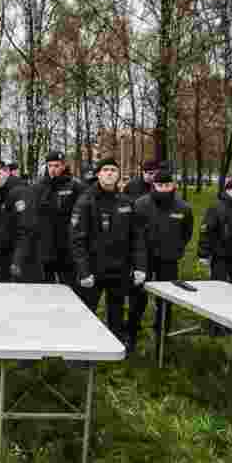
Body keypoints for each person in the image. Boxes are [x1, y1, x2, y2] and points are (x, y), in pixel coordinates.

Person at [71, 157, 148, 349]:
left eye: (113, 170)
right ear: (98, 174)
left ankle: (114, 347)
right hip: (93, 270)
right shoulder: (85, 201)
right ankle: (83, 349)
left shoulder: (126, 202)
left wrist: (139, 266)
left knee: (116, 310)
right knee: (87, 311)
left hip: (119, 269)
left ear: (118, 175)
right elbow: (77, 239)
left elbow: (137, 237)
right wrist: (83, 271)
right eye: (105, 170)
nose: (109, 173)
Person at [127, 167, 193, 355]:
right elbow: (134, 233)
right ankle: (131, 332)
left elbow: (187, 233)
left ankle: (162, 334)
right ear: (153, 185)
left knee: (165, 299)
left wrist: (176, 249)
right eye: (159, 185)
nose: (163, 188)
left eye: (167, 185)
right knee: (137, 297)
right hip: (143, 260)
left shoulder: (183, 208)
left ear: (173, 185)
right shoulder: (140, 204)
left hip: (169, 259)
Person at [37, 150, 85, 286]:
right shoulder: (39, 186)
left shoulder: (75, 186)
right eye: (50, 165)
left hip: (67, 248)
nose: (53, 169)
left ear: (64, 166)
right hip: (46, 247)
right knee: (46, 289)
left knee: (70, 288)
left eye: (57, 165)